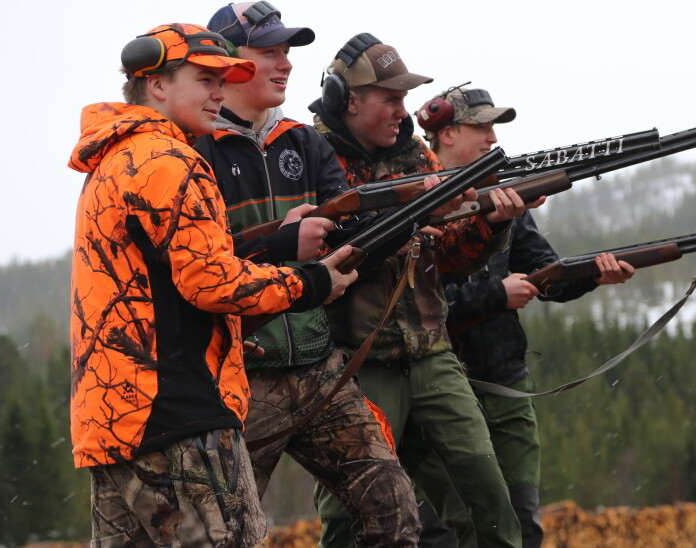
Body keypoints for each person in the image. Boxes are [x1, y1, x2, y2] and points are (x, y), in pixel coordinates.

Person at [68, 23, 357, 547]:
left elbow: (158, 290)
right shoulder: (172, 163)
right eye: (205, 80)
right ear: (157, 84)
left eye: (223, 81)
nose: (220, 93)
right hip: (179, 416)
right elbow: (212, 281)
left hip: (113, 421)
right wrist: (308, 283)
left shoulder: (113, 161)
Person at [194, 3, 420, 546]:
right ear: (227, 63)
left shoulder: (304, 141)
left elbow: (352, 241)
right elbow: (198, 266)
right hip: (242, 376)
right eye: (270, 52)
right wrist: (280, 245)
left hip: (319, 367)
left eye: (287, 52)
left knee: (396, 513)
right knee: (227, 536)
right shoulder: (194, 150)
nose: (286, 63)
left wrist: (421, 212)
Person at [308, 34, 538, 548]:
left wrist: (492, 223)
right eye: (390, 99)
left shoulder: (415, 155)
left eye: (404, 98)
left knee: (489, 505)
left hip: (431, 354)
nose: (402, 111)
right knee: (348, 518)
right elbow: (316, 259)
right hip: (356, 363)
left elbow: (451, 254)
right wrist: (402, 225)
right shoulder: (310, 155)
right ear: (347, 100)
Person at [407, 87, 636, 548]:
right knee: (442, 532)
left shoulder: (504, 199)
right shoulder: (415, 203)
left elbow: (547, 274)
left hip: (505, 384)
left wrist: (594, 274)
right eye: (481, 127)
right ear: (446, 133)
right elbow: (414, 304)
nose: (493, 138)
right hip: (437, 391)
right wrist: (496, 295)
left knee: (522, 525)